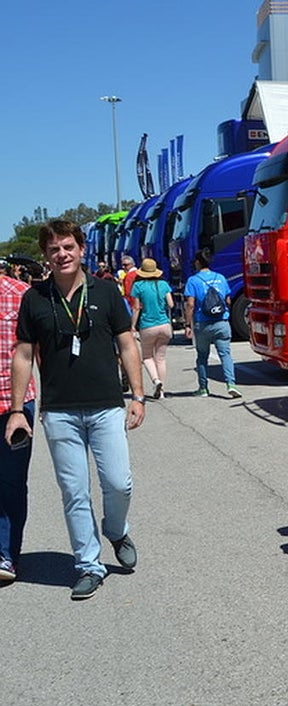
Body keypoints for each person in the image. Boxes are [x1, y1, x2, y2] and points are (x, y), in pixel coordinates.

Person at [5, 220, 145, 600]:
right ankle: (88, 564)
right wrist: (18, 410)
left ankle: (115, 529)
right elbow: (22, 354)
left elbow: (127, 344)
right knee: (74, 491)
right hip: (61, 411)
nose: (62, 254)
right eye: (54, 250)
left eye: (68, 247)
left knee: (119, 482)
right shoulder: (35, 298)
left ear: (81, 249)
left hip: (106, 407)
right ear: (46, 257)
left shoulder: (107, 291)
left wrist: (138, 394)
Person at [1, 259, 36, 583]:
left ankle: (7, 554)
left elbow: (39, 352)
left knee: (11, 483)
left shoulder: (22, 294)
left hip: (15, 405)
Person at [183, 252, 241, 398]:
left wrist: (188, 325)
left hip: (202, 323)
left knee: (202, 356)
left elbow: (190, 304)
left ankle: (203, 388)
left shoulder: (193, 280)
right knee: (225, 354)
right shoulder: (220, 278)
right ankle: (231, 384)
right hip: (221, 322)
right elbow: (228, 300)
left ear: (197, 263)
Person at [130, 258, 175, 399]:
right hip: (164, 325)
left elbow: (136, 308)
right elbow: (171, 304)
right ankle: (162, 392)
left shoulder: (138, 286)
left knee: (147, 356)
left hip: (147, 325)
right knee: (160, 358)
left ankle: (156, 381)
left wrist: (132, 326)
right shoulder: (163, 284)